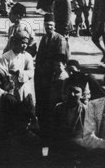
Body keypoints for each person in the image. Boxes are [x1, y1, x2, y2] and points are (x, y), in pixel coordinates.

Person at [34, 13, 70, 147]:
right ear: (44, 26)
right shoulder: (44, 39)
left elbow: (60, 60)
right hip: (42, 76)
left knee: (52, 104)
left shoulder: (59, 39)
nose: (49, 27)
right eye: (47, 25)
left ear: (54, 26)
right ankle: (43, 131)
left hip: (53, 76)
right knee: (42, 103)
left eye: (51, 25)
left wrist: (50, 70)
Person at [50, 73, 88, 166]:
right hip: (62, 150)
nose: (72, 94)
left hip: (79, 151)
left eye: (76, 92)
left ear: (82, 95)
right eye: (70, 90)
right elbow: (54, 130)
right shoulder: (58, 108)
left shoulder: (86, 110)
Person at [0, 32, 34, 106]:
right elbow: (2, 73)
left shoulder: (28, 56)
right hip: (10, 87)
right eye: (22, 43)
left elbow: (31, 72)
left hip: (23, 87)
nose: (25, 46)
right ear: (16, 42)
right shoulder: (6, 56)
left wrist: (20, 73)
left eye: (26, 43)